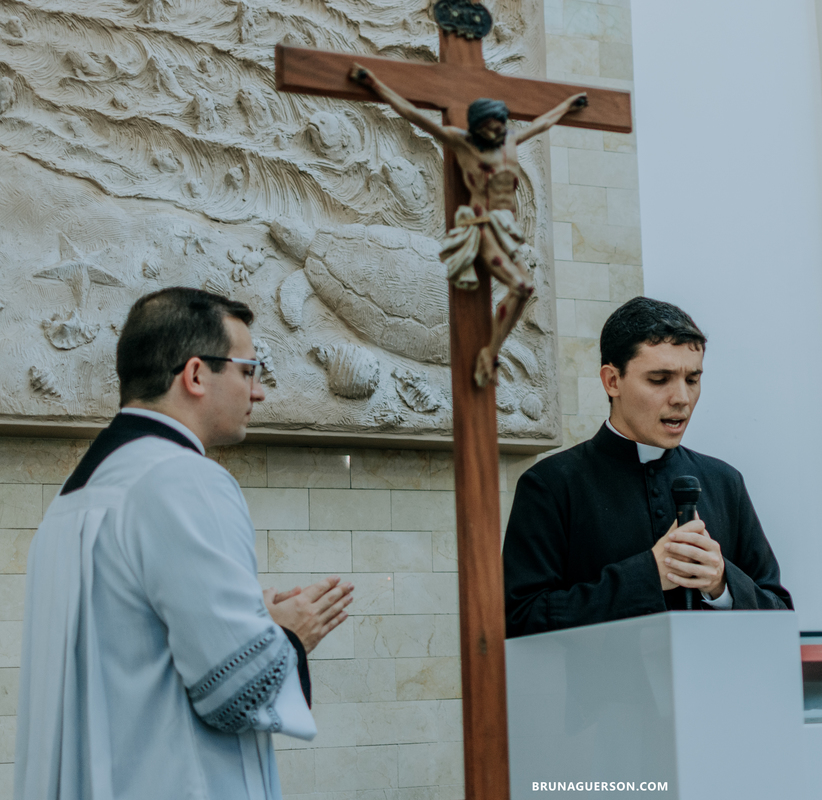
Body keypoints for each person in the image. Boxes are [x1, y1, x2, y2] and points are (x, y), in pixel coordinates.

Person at [16, 287, 354, 800]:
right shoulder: (186, 479)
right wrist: (289, 635)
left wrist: (246, 617)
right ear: (196, 374)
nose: (257, 392)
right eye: (248, 370)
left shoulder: (72, 499)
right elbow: (237, 692)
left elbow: (129, 645)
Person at [503, 297, 792, 637]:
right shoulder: (550, 484)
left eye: (693, 379)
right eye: (659, 379)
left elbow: (781, 616)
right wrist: (648, 574)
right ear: (612, 381)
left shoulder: (725, 481)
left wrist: (722, 583)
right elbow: (521, 619)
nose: (681, 398)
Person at [350, 62, 588, 387]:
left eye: (500, 125)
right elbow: (411, 113)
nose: (497, 132)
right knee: (521, 286)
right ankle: (489, 353)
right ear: (476, 127)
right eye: (490, 128)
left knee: (526, 288)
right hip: (483, 225)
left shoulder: (510, 141)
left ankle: (492, 351)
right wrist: (374, 83)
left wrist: (567, 106)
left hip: (508, 230)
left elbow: (544, 123)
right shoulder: (462, 143)